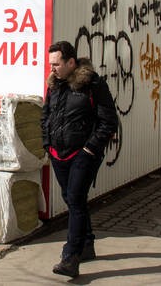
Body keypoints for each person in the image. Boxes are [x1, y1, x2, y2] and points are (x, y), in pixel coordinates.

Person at [41, 41, 118, 278]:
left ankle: (71, 256)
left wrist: (90, 149)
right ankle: (86, 244)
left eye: (56, 64)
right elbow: (46, 115)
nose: (52, 68)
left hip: (83, 154)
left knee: (74, 199)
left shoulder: (93, 84)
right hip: (58, 153)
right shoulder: (53, 86)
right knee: (72, 198)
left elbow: (108, 122)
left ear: (71, 62)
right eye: (51, 64)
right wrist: (48, 142)